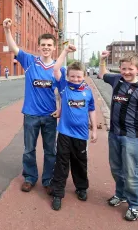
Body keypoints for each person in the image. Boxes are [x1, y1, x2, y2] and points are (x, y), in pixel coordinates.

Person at [3, 18, 62, 193]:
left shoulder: (58, 68)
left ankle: (48, 180)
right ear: (39, 47)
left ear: (53, 48)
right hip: (31, 115)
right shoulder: (29, 61)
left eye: (49, 45)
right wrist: (7, 30)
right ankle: (30, 177)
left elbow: (62, 93)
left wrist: (60, 110)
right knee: (29, 149)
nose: (46, 47)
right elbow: (14, 47)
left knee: (50, 150)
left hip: (50, 117)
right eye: (43, 44)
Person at [98, 51, 138, 222]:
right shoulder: (117, 80)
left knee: (131, 172)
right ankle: (120, 194)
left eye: (130, 69)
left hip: (131, 136)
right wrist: (102, 60)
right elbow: (102, 74)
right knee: (115, 168)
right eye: (123, 69)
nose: (126, 72)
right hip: (114, 134)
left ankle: (135, 204)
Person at [49, 44, 98, 211]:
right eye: (73, 77)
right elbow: (56, 69)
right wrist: (64, 52)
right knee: (61, 163)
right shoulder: (64, 87)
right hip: (64, 133)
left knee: (80, 163)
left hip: (81, 135)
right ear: (67, 77)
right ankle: (57, 193)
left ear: (84, 76)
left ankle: (81, 188)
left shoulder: (88, 91)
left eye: (79, 77)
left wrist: (94, 130)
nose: (76, 79)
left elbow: (91, 110)